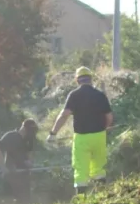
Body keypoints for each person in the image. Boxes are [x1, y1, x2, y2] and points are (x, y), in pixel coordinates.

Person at [46, 66, 113, 195]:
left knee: (81, 169)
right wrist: (105, 128)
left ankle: (82, 201)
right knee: (99, 167)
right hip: (99, 136)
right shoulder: (100, 95)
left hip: (82, 138)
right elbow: (109, 117)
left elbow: (64, 115)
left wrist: (53, 133)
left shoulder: (74, 95)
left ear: (77, 80)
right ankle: (102, 196)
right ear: (91, 80)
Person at [0, 118, 39, 204]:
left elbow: (30, 153)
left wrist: (29, 162)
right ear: (24, 128)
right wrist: (2, 167)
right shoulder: (11, 136)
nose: (31, 133)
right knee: (10, 201)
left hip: (24, 173)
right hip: (11, 172)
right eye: (29, 130)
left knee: (26, 200)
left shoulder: (30, 138)